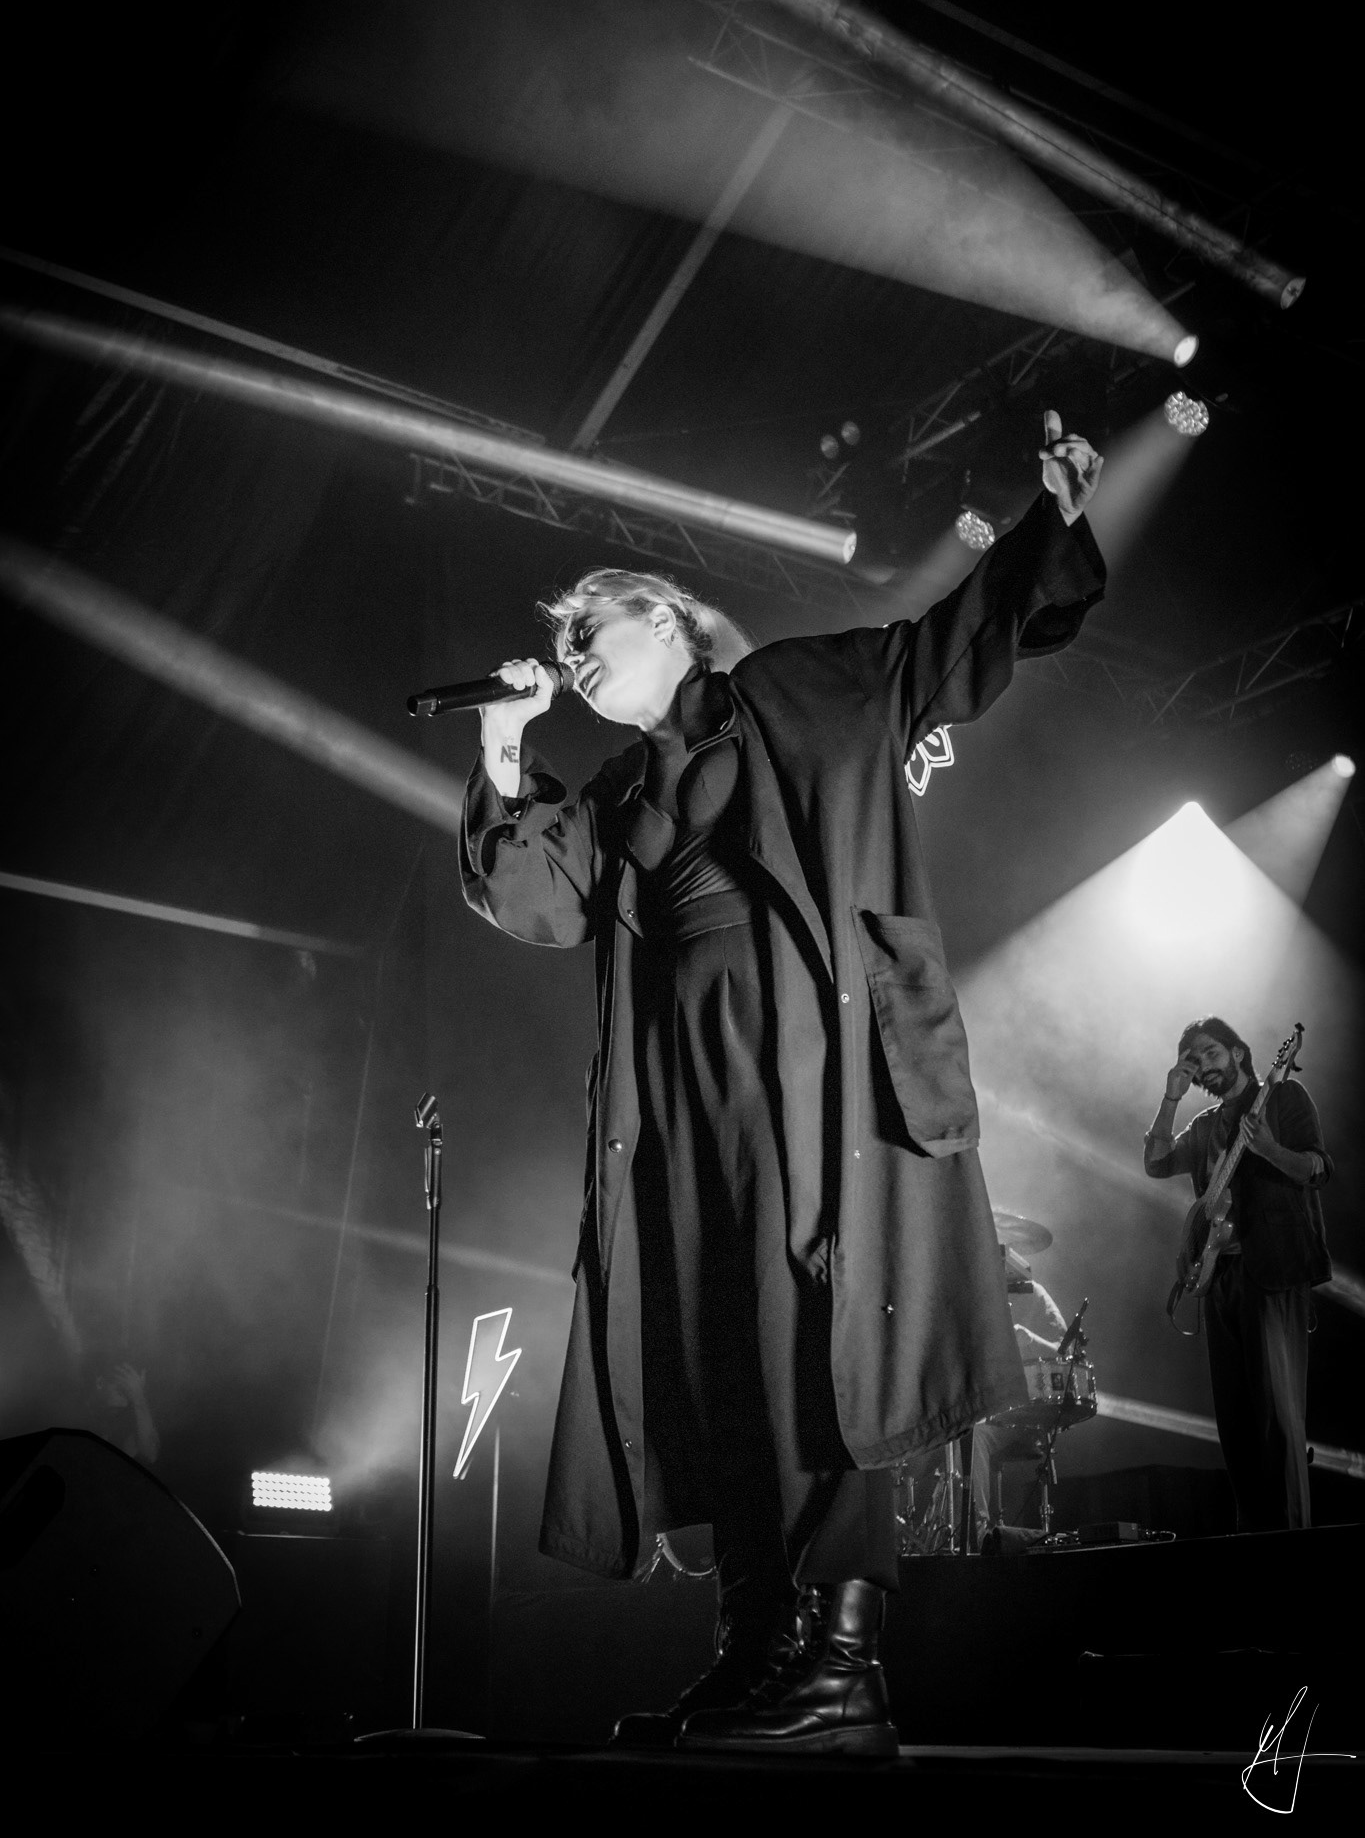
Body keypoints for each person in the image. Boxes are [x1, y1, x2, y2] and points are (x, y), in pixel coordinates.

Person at [461, 411, 1105, 1754]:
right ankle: (758, 1648)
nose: (573, 656)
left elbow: (944, 651)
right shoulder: (621, 785)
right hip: (684, 1101)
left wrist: (1048, 523)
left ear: (670, 621)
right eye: (565, 647)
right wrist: (506, 745)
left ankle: (844, 1666)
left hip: (810, 1080)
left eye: (592, 629)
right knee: (717, 1350)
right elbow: (538, 899)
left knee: (813, 1344)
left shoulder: (797, 690)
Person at [1143, 1017, 1331, 1530]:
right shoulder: (1205, 1126)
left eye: (1211, 1053)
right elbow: (1156, 1163)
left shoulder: (1284, 1097)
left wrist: (1268, 1148)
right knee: (1235, 1422)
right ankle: (1251, 1535)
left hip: (1274, 1272)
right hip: (1218, 1277)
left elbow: (1318, 1168)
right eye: (1194, 1060)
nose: (1204, 1066)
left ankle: (1291, 1531)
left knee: (1277, 1418)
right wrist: (1171, 1097)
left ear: (1239, 1053)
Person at [969, 1270, 1068, 1549]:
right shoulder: (978, 1296)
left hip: (1029, 1419)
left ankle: (979, 1535)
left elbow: (1068, 1350)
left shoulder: (1035, 1294)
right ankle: (952, 1531)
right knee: (960, 1431)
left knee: (974, 1435)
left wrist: (1030, 1339)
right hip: (988, 1412)